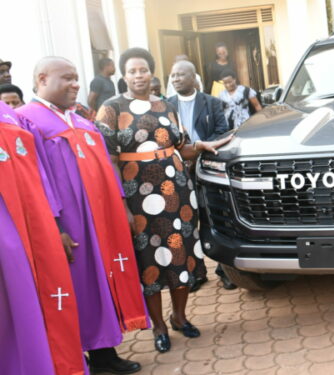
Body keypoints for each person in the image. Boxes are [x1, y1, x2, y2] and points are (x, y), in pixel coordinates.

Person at [95, 47, 232, 353]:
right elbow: (108, 162)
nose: (138, 76)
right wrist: (121, 206)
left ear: (151, 72)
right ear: (124, 75)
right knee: (150, 260)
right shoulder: (111, 108)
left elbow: (181, 146)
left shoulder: (165, 106)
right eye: (132, 71)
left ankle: (179, 317)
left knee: (180, 252)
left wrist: (207, 146)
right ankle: (157, 326)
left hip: (177, 193)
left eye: (143, 70)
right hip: (138, 198)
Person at [17, 56, 147, 375]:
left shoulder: (82, 122)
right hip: (66, 224)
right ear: (43, 79)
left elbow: (106, 167)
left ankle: (104, 354)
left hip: (98, 223)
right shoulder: (27, 120)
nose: (76, 84)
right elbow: (34, 179)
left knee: (99, 283)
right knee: (71, 289)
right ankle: (74, 359)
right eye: (68, 78)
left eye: (77, 77)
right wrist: (53, 225)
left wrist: (121, 208)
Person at [0, 101, 85, 375]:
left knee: (45, 299)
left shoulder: (8, 112)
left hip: (33, 221)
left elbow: (38, 171)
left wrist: (52, 218)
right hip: (8, 230)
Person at [167, 60, 235, 291]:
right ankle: (196, 272)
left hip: (205, 168)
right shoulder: (166, 106)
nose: (175, 79)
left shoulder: (212, 102)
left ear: (194, 77)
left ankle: (223, 270)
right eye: (173, 75)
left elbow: (221, 131)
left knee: (213, 216)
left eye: (180, 74)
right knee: (187, 221)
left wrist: (199, 151)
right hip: (177, 170)